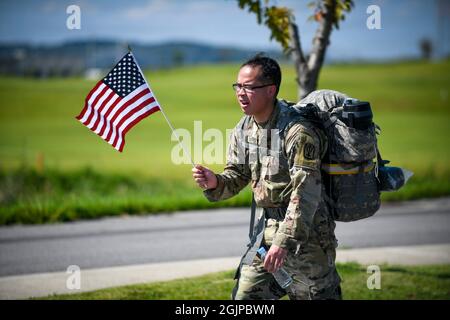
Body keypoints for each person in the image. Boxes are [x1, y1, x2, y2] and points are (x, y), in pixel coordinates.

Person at [192, 54, 341, 300]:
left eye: (249, 87)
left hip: (308, 238)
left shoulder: (298, 132)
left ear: (270, 90)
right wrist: (215, 182)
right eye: (238, 86)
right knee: (245, 298)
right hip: (266, 236)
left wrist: (283, 243)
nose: (240, 93)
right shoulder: (244, 127)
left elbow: (305, 195)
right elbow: (238, 174)